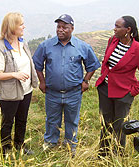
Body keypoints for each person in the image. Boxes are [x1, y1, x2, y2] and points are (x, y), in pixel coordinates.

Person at [33, 14, 101, 155]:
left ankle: (70, 144)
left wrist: (86, 81)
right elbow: (37, 65)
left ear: (72, 29)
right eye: (58, 27)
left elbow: (92, 65)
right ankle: (51, 143)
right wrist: (42, 82)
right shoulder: (46, 45)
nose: (61, 30)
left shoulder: (82, 46)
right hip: (52, 92)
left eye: (65, 27)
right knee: (52, 119)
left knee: (72, 120)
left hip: (74, 92)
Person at [95, 16, 139, 156]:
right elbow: (106, 63)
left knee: (119, 127)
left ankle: (117, 155)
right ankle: (103, 154)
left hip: (123, 94)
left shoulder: (138, 50)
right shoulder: (112, 40)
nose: (114, 29)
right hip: (105, 89)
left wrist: (132, 92)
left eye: (118, 26)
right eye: (114, 25)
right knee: (105, 123)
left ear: (128, 29)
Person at [0, 12, 38, 155]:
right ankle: (5, 150)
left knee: (22, 119)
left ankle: (19, 145)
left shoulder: (22, 43)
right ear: (12, 26)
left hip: (26, 90)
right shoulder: (0, 47)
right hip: (9, 93)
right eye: (21, 24)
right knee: (7, 122)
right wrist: (14, 74)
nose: (24, 26)